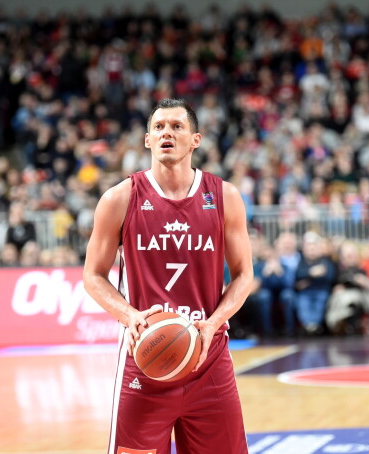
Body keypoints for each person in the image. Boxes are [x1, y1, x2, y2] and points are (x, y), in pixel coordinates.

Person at [83, 98, 253, 454]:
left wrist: (214, 321)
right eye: (159, 127)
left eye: (177, 127)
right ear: (147, 140)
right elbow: (93, 276)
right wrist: (129, 316)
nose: (167, 134)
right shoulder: (120, 198)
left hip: (209, 359)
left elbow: (243, 275)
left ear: (196, 140)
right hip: (145, 359)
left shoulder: (224, 196)